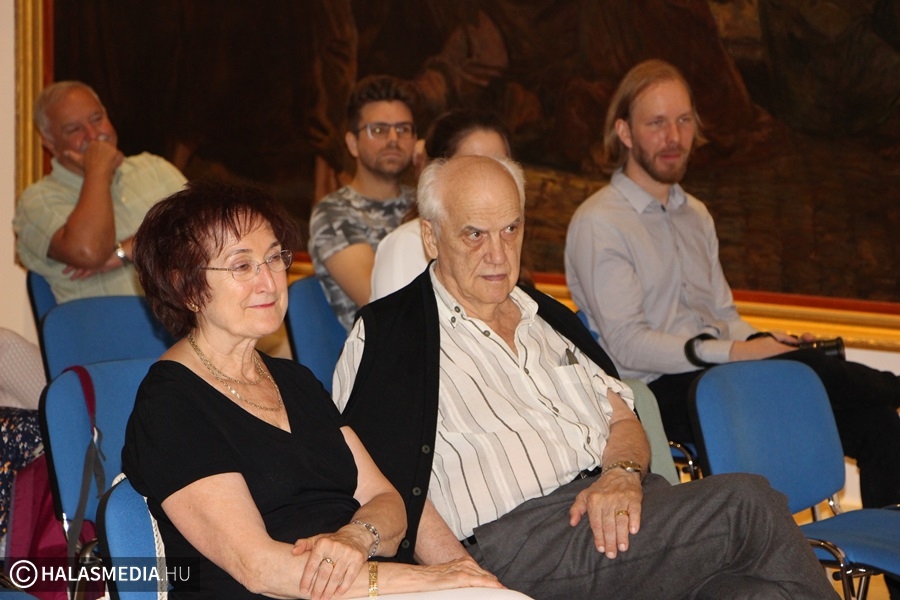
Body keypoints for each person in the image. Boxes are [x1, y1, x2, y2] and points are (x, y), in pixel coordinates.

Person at [332, 154, 838, 599]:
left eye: (511, 229)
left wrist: (621, 474)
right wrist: (465, 579)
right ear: (430, 236)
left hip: (622, 507)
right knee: (748, 504)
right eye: (475, 234)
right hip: (522, 542)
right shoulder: (390, 334)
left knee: (749, 591)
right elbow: (380, 480)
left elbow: (623, 419)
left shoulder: (548, 317)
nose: (498, 253)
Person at [122, 180, 504, 599]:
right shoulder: (170, 404)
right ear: (186, 287)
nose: (269, 282)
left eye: (274, 258)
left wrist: (358, 536)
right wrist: (427, 578)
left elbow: (387, 500)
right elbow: (260, 569)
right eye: (242, 266)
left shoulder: (294, 380)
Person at [565, 59, 900, 513]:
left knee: (879, 424)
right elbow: (628, 346)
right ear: (624, 132)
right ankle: (891, 384)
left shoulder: (696, 215)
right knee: (809, 371)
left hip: (721, 376)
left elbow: (724, 317)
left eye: (684, 121)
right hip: (660, 391)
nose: (674, 137)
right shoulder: (599, 222)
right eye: (657, 123)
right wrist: (737, 352)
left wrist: (765, 341)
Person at [13, 81, 187, 304]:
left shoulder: (154, 168)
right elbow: (90, 252)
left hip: (184, 315)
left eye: (97, 119)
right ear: (51, 144)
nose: (93, 134)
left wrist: (128, 250)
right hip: (108, 323)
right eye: (74, 129)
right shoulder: (37, 201)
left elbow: (206, 230)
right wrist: (98, 169)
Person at [309, 75, 418, 330]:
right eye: (379, 130)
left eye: (403, 129)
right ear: (353, 143)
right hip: (386, 346)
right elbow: (381, 301)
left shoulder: (425, 202)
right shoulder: (333, 213)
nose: (393, 139)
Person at [370, 109, 512, 301]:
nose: (488, 180)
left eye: (499, 166)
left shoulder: (509, 241)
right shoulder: (407, 245)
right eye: (471, 167)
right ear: (436, 174)